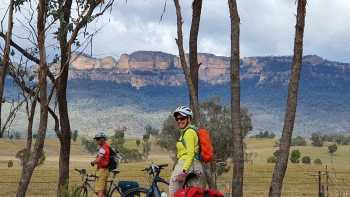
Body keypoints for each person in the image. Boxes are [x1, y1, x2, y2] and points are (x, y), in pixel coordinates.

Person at [169, 106, 205, 197]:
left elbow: (190, 154)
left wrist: (183, 172)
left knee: (173, 192)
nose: (179, 121)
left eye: (182, 118)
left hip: (185, 164)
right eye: (177, 119)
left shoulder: (188, 132)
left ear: (189, 119)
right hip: (197, 166)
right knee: (194, 194)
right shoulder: (192, 131)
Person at [91, 132, 110, 197]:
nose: (97, 140)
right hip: (104, 170)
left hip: (102, 171)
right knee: (103, 191)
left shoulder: (103, 148)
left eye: (98, 139)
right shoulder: (105, 147)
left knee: (100, 191)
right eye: (96, 139)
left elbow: (98, 160)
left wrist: (93, 162)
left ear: (102, 139)